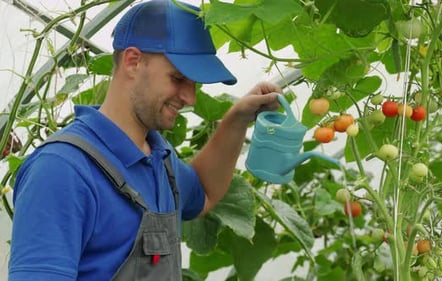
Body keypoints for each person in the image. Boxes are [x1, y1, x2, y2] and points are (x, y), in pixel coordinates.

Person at [8, 0, 282, 280]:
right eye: (178, 78)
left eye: (195, 84)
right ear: (133, 61)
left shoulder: (161, 160)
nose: (190, 98)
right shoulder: (61, 170)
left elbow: (205, 193)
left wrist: (237, 118)